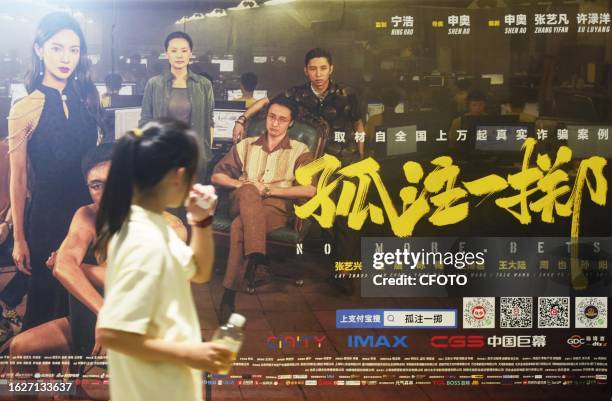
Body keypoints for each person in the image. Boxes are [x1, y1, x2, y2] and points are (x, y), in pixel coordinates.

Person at [9, 143, 187, 379]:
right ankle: (66, 386)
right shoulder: (87, 214)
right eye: (96, 185)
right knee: (20, 348)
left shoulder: (170, 228)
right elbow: (62, 266)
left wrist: (80, 267)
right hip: (95, 317)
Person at [95, 119, 232, 401]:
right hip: (153, 390)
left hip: (167, 385)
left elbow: (200, 272)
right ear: (179, 175)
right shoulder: (143, 241)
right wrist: (191, 353)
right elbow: (112, 333)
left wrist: (202, 221)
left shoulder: (156, 225)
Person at [232, 48, 365, 294]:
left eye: (323, 68)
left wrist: (362, 155)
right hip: (311, 166)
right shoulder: (296, 94)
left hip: (345, 160)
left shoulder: (348, 93)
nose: (318, 74)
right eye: (313, 69)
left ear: (331, 69)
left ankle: (346, 274)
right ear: (306, 70)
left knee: (347, 217)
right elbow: (266, 103)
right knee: (320, 217)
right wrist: (242, 119)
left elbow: (358, 124)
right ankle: (274, 261)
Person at [7, 12, 102, 333]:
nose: (66, 58)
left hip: (88, 217)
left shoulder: (89, 99)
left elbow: (98, 165)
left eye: (74, 50)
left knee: (82, 304)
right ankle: (27, 371)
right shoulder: (25, 107)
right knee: (44, 302)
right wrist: (19, 237)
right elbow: (18, 180)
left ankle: (73, 378)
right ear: (39, 49)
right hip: (46, 219)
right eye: (57, 48)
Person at [212, 96, 316, 322]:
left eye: (281, 119)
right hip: (241, 199)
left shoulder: (300, 150)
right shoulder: (246, 145)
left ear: (290, 123)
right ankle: (257, 254)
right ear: (266, 117)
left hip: (275, 207)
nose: (275, 123)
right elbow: (217, 175)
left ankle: (228, 296)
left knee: (241, 226)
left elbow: (310, 190)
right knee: (249, 191)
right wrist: (244, 185)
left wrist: (267, 190)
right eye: (271, 117)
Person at [139, 31, 214, 179]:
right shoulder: (154, 84)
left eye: (184, 51)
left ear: (190, 53)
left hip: (194, 156)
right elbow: (145, 121)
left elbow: (209, 121)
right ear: (167, 53)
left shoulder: (204, 84)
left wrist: (206, 154)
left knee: (195, 200)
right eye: (174, 50)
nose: (179, 55)